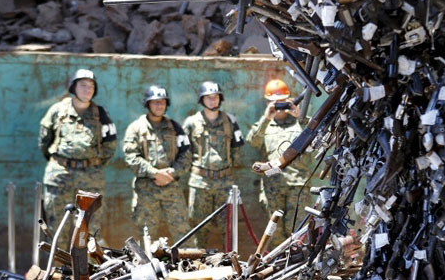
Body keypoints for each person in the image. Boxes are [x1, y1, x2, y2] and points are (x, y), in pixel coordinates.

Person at [38, 69, 116, 250]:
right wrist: (61, 162)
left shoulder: (101, 114)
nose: (87, 89)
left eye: (91, 86)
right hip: (60, 176)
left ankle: (90, 274)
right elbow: (44, 141)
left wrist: (91, 164)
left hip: (91, 178)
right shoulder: (57, 110)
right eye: (83, 85)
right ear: (73, 87)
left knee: (90, 228)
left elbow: (110, 146)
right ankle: (59, 273)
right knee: (58, 227)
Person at [246, 79, 314, 245]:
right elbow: (252, 141)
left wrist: (301, 116)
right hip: (273, 185)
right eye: (275, 103)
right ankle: (277, 266)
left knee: (298, 232)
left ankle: (297, 266)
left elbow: (315, 138)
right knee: (274, 232)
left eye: (282, 102)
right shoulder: (265, 125)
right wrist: (266, 118)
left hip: (298, 185)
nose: (279, 107)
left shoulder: (301, 124)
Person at [123, 85, 191, 242]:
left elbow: (186, 155)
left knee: (182, 231)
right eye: (155, 102)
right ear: (147, 104)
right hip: (146, 190)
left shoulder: (175, 128)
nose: (159, 106)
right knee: (145, 234)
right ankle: (144, 265)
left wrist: (172, 173)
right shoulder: (136, 128)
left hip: (171, 187)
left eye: (162, 102)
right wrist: (154, 173)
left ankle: (188, 264)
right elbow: (131, 157)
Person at [182, 81, 244, 249]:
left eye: (215, 97)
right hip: (200, 182)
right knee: (198, 226)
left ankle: (230, 262)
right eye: (208, 98)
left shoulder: (229, 121)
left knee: (228, 225)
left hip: (225, 182)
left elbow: (237, 148)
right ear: (202, 100)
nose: (212, 101)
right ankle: (196, 262)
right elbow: (183, 151)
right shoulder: (191, 122)